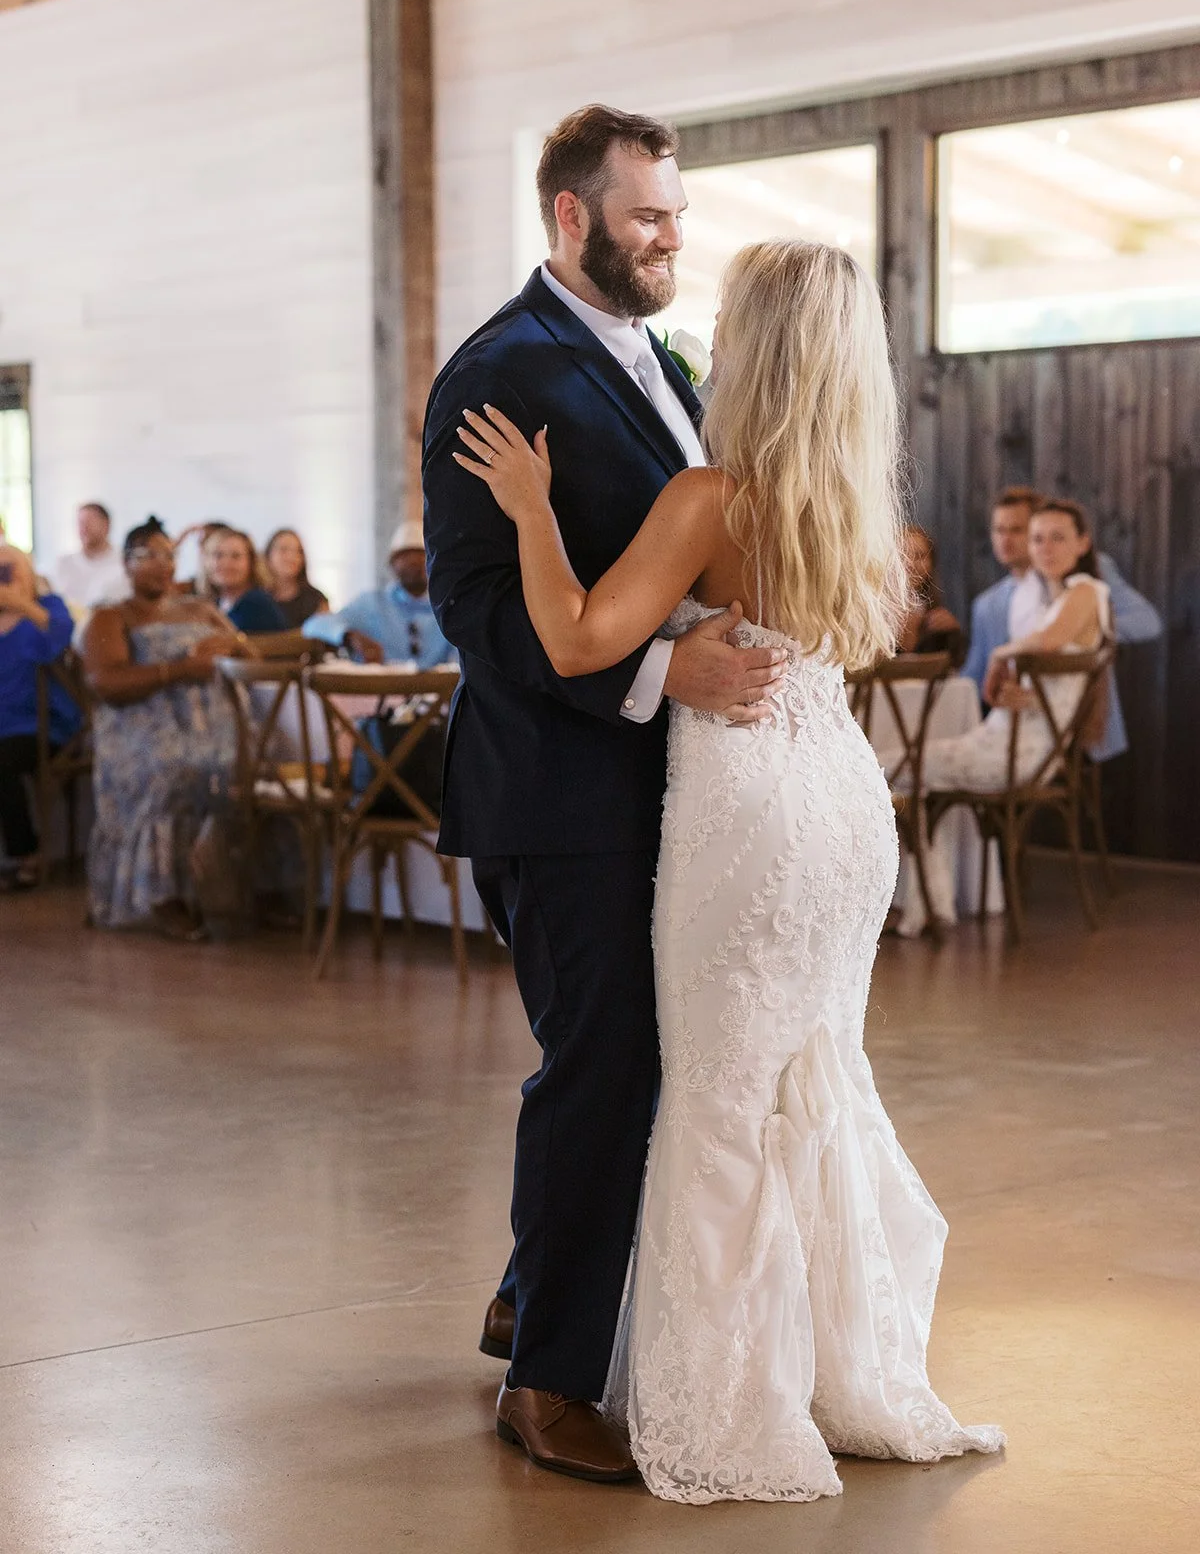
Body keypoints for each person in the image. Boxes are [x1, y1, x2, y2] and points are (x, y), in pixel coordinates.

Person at [457, 236, 1004, 1501]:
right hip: (841, 809)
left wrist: (535, 513)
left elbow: (578, 634)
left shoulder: (712, 495)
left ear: (749, 347)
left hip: (746, 816)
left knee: (714, 1089)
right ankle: (829, 1366)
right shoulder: (861, 506)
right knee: (813, 1072)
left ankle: (726, 1395)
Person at [423, 104, 795, 1487]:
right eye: (648, 215)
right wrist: (657, 675)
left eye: (679, 213)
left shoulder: (671, 362)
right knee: (610, 1065)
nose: (673, 237)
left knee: (625, 1058)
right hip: (556, 789)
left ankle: (535, 1289)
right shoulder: (496, 373)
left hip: (661, 791)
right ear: (572, 217)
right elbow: (476, 609)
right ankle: (551, 1380)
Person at [81, 518, 247, 940]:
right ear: (126, 563)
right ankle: (162, 896)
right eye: (149, 556)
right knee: (176, 769)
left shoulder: (199, 607)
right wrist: (180, 668)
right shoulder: (112, 616)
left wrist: (227, 645)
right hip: (141, 730)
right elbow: (106, 683)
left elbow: (247, 649)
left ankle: (248, 892)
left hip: (212, 726)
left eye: (169, 555)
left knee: (253, 763)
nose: (162, 565)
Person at [962, 486, 1161, 760]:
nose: (1006, 540)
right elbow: (976, 677)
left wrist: (1086, 630)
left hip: (1079, 731)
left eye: (1017, 530)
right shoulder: (987, 605)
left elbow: (1147, 621)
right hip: (1018, 731)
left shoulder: (1085, 579)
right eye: (999, 530)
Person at [0, 549, 79, 889]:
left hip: (43, 727)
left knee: (2, 762)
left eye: (9, 569)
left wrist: (23, 607)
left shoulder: (50, 609)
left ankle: (26, 855)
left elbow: (60, 641)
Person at [302, 521, 455, 665]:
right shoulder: (372, 604)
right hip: (379, 691)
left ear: (435, 563)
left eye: (421, 555)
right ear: (392, 565)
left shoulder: (448, 609)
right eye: (405, 556)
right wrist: (350, 636)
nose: (414, 562)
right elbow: (314, 625)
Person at [897, 524, 965, 664]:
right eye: (903, 555)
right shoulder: (875, 617)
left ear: (931, 563)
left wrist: (954, 632)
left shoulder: (938, 617)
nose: (910, 564)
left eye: (919, 556)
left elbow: (957, 665)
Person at [203, 528, 286, 635]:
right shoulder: (217, 603)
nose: (226, 564)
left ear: (251, 563)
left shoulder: (257, 603)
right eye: (218, 555)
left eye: (235, 556)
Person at [54, 503, 129, 612]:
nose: (84, 528)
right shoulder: (63, 563)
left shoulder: (124, 562)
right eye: (80, 523)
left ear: (106, 525)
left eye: (89, 522)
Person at [263, 529, 328, 628]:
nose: (291, 557)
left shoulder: (317, 599)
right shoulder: (256, 598)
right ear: (268, 556)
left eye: (298, 551)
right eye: (283, 550)